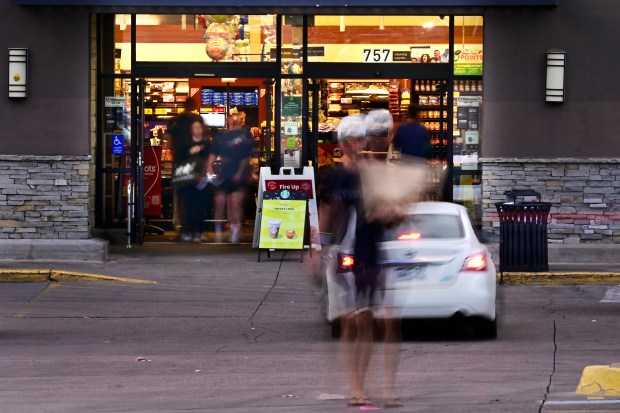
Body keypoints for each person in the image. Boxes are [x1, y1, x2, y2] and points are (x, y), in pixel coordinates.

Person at [318, 113, 402, 408]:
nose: (356, 145)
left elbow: (394, 211)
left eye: (359, 139)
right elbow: (328, 212)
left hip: (372, 250)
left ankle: (375, 387)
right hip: (344, 254)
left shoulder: (375, 173)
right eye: (350, 141)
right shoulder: (336, 176)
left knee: (372, 323)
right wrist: (317, 247)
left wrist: (391, 214)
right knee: (352, 322)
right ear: (341, 144)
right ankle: (356, 387)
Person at [207, 113, 253, 244]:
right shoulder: (221, 137)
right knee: (220, 202)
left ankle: (235, 231)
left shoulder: (246, 135)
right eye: (229, 120)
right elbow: (212, 154)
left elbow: (246, 157)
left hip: (239, 174)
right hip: (224, 173)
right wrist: (209, 168)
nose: (231, 122)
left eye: (234, 120)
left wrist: (240, 172)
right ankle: (218, 232)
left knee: (234, 202)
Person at [169, 102, 210, 242]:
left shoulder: (178, 122)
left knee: (190, 203)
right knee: (189, 203)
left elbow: (170, 142)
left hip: (189, 173)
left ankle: (190, 230)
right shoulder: (185, 138)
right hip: (186, 174)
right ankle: (190, 230)